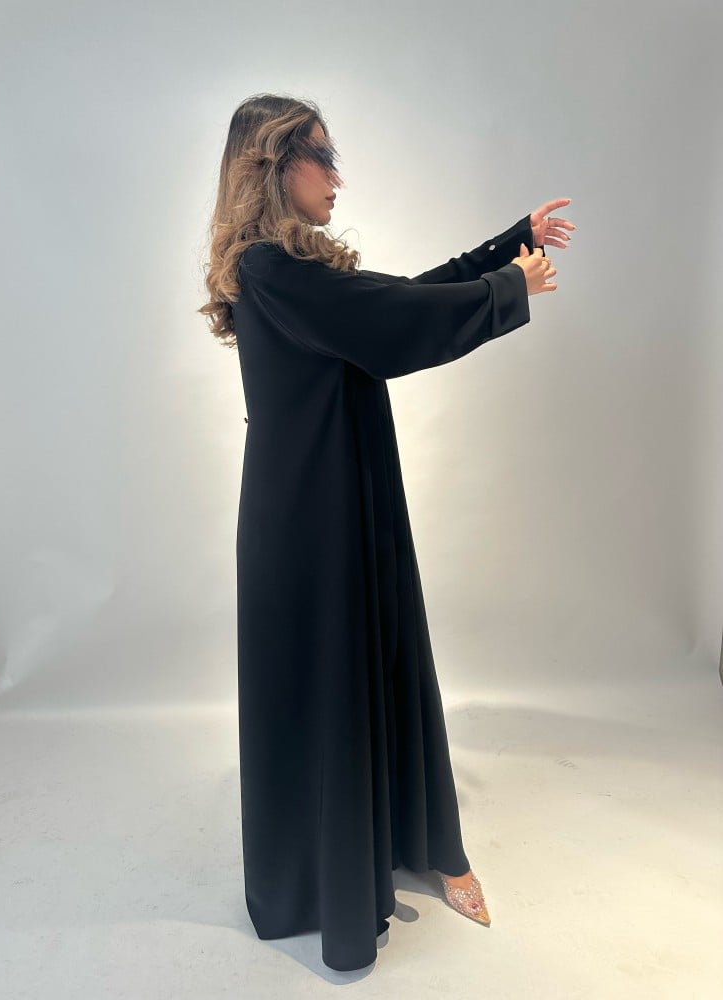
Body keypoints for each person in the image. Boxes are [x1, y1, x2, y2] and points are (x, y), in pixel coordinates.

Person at [198, 93, 575, 972]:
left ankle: (417, 843)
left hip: (347, 500)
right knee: (336, 684)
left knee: (386, 658)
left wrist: (507, 246)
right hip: (309, 523)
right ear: (273, 163)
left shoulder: (292, 270)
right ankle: (336, 885)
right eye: (322, 157)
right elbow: (400, 326)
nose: (337, 177)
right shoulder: (268, 269)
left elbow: (396, 300)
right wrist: (509, 286)